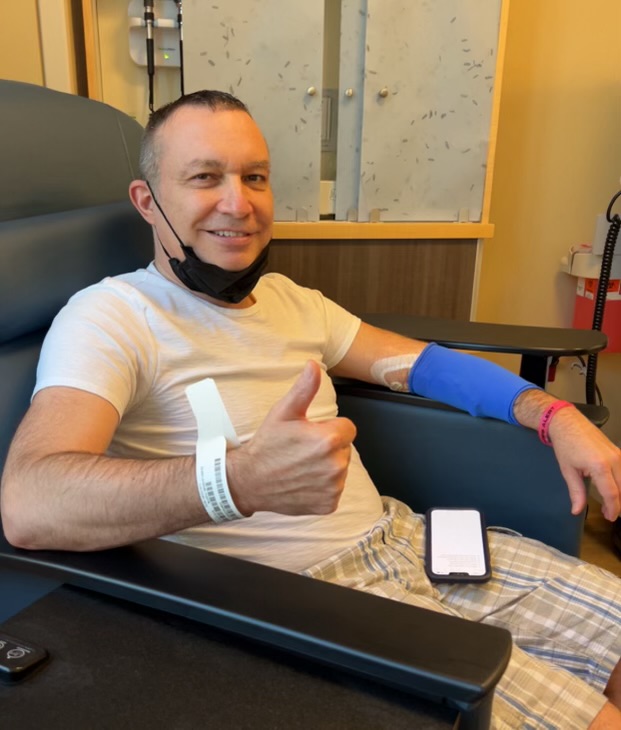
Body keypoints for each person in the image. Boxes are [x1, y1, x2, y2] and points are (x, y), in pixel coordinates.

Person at [1, 90, 620, 729]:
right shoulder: (113, 316)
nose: (238, 204)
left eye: (255, 178)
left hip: (408, 539)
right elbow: (30, 503)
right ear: (146, 202)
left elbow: (424, 366)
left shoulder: (291, 300)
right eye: (204, 178)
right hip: (314, 595)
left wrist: (552, 414)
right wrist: (236, 481)